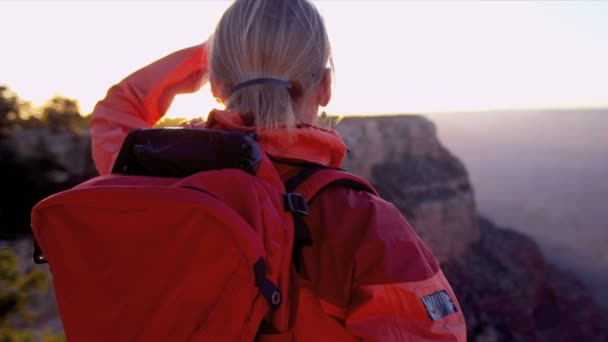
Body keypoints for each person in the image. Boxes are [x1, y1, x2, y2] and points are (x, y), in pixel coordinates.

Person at [90, 0, 466, 340]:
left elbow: (117, 109)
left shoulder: (153, 173)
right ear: (326, 87)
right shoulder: (361, 222)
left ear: (217, 86)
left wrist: (221, 57)